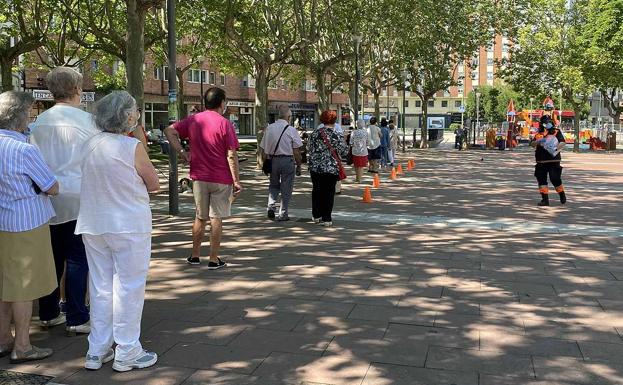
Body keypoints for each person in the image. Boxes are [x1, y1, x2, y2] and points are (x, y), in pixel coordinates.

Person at [75, 91, 160, 372]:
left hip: (94, 222)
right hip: (128, 225)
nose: (136, 115)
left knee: (99, 285)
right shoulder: (131, 146)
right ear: (127, 116)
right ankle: (127, 349)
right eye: (134, 111)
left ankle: (97, 348)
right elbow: (154, 183)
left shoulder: (89, 143)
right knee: (129, 287)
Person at [29, 67, 96, 335]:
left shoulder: (39, 122)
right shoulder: (87, 122)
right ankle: (78, 316)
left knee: (52, 256)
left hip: (47, 195)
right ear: (77, 89)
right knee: (79, 257)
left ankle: (48, 311)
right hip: (80, 195)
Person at [0, 91, 58, 363]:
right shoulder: (24, 149)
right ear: (21, 116)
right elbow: (51, 186)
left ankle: (3, 338)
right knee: (23, 287)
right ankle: (22, 345)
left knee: (5, 283)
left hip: (3, 220)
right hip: (26, 222)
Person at [164, 87, 241, 267]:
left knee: (200, 217)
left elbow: (169, 131)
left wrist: (183, 152)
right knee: (216, 218)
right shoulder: (225, 124)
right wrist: (236, 180)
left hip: (199, 177)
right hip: (221, 178)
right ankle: (214, 259)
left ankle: (195, 255)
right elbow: (231, 154)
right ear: (222, 103)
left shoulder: (194, 120)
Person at [259, 105, 303, 221]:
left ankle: (271, 206)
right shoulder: (291, 130)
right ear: (288, 117)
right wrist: (299, 165)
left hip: (272, 160)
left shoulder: (269, 128)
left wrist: (264, 163)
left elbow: (263, 149)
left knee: (273, 185)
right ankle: (283, 213)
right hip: (287, 161)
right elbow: (296, 151)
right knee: (286, 187)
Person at [308, 111, 348, 227]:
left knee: (316, 190)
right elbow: (344, 151)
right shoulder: (336, 135)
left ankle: (316, 215)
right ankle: (327, 218)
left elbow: (309, 148)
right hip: (331, 167)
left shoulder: (314, 134)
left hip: (315, 167)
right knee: (329, 192)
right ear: (334, 121)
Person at [531, 114, 566, 206]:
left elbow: (562, 142)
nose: (548, 123)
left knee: (555, 179)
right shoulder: (539, 134)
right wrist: (537, 142)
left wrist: (555, 149)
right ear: (541, 124)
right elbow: (532, 144)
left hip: (553, 160)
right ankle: (545, 199)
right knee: (541, 180)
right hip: (541, 161)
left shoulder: (556, 132)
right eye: (545, 122)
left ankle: (561, 194)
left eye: (549, 121)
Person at [350, 119, 369, 183]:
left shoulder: (353, 132)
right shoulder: (366, 132)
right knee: (361, 166)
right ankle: (359, 179)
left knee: (356, 165)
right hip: (363, 151)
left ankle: (357, 178)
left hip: (355, 151)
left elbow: (351, 142)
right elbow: (368, 142)